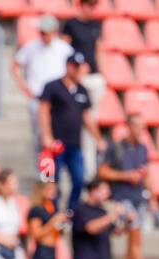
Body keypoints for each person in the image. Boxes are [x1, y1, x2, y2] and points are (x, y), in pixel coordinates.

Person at [99, 118, 156, 259]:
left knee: (134, 239)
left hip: (138, 198)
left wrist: (152, 197)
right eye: (137, 126)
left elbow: (146, 174)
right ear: (129, 127)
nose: (140, 130)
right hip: (122, 199)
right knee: (135, 236)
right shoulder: (116, 147)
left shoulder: (143, 149)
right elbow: (102, 171)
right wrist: (126, 176)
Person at [38, 53, 97, 213]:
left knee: (79, 180)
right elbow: (43, 111)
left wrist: (98, 138)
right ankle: (53, 213)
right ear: (68, 66)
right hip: (55, 144)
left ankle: (72, 212)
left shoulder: (82, 90)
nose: (78, 70)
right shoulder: (53, 87)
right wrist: (47, 135)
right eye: (75, 66)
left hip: (74, 144)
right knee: (50, 180)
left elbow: (87, 117)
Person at [12, 16, 73, 157]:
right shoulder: (31, 46)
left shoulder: (63, 49)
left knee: (59, 136)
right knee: (40, 138)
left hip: (58, 100)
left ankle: (56, 170)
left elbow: (74, 69)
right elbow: (15, 65)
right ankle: (43, 174)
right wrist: (23, 86)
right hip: (38, 98)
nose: (44, 35)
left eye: (47, 32)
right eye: (42, 32)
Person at [62, 0, 105, 177]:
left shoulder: (96, 25)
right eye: (90, 4)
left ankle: (88, 174)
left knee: (89, 124)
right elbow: (65, 50)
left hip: (92, 77)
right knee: (74, 125)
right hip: (79, 78)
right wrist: (77, 73)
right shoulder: (71, 24)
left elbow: (98, 50)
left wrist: (102, 72)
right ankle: (53, 180)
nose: (93, 9)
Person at [71, 177, 127, 259]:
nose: (107, 193)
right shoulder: (81, 210)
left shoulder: (102, 211)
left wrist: (125, 219)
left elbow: (117, 231)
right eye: (104, 190)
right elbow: (91, 228)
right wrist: (114, 215)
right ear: (93, 191)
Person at [27, 179, 66, 259]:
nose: (53, 191)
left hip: (52, 250)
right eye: (49, 189)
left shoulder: (50, 209)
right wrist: (53, 222)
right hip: (42, 251)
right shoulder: (36, 210)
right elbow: (36, 234)